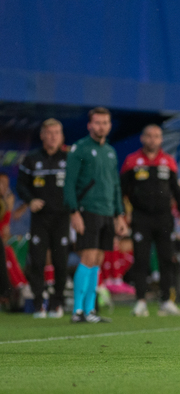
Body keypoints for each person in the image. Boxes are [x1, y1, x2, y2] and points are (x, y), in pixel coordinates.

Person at [64, 107, 127, 323]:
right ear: (89, 125)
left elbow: (115, 185)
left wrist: (119, 214)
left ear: (109, 125)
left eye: (105, 123)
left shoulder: (110, 151)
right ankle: (77, 311)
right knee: (88, 257)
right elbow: (69, 183)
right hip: (87, 210)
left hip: (108, 212)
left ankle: (90, 310)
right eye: (97, 122)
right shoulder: (79, 149)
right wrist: (74, 212)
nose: (102, 126)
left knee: (98, 259)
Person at [120, 124, 180, 317]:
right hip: (140, 217)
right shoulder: (132, 161)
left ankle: (166, 301)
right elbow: (121, 191)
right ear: (143, 138)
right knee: (141, 260)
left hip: (164, 218)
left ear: (161, 139)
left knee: (166, 259)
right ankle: (140, 302)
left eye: (156, 136)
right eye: (149, 136)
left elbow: (176, 190)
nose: (152, 139)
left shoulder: (168, 161)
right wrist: (121, 216)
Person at [16, 118, 70, 318]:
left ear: (61, 136)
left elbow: (78, 184)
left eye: (56, 132)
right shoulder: (32, 159)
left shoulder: (69, 158)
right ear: (42, 135)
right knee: (37, 261)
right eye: (49, 133)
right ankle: (39, 304)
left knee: (61, 262)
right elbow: (21, 185)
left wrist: (74, 208)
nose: (53, 136)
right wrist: (30, 200)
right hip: (40, 218)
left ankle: (57, 303)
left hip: (62, 218)